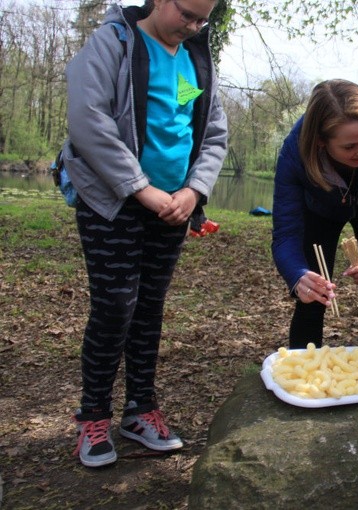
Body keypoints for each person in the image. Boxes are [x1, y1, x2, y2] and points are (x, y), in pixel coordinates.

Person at [63, 0, 227, 468]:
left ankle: (141, 409)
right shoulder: (113, 41)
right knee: (116, 304)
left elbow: (214, 133)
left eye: (203, 20)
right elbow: (87, 120)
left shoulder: (197, 56)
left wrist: (194, 190)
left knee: (149, 306)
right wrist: (140, 189)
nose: (193, 27)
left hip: (173, 208)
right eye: (187, 14)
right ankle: (92, 416)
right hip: (112, 200)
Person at [272, 79, 358, 351]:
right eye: (349, 146)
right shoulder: (295, 153)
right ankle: (305, 383)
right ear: (321, 142)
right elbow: (286, 231)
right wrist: (297, 274)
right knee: (312, 297)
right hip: (320, 212)